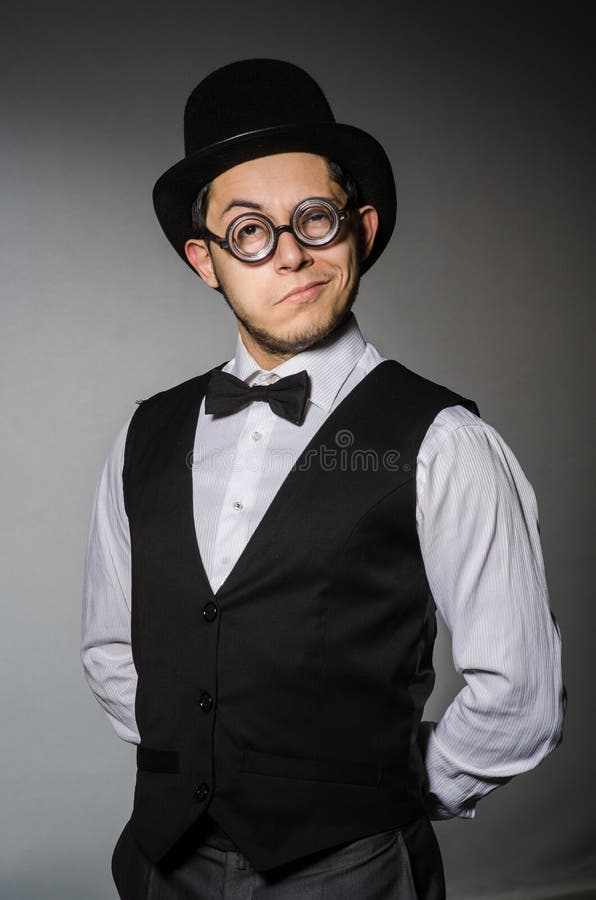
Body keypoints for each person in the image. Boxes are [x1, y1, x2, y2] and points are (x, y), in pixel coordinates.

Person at [81, 59, 565, 900]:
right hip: (163, 861)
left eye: (315, 218)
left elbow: (520, 696)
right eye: (249, 231)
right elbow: (110, 651)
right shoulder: (143, 434)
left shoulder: (446, 442)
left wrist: (386, 794)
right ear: (206, 261)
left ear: (361, 230)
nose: (290, 256)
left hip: (353, 867)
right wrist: (193, 767)